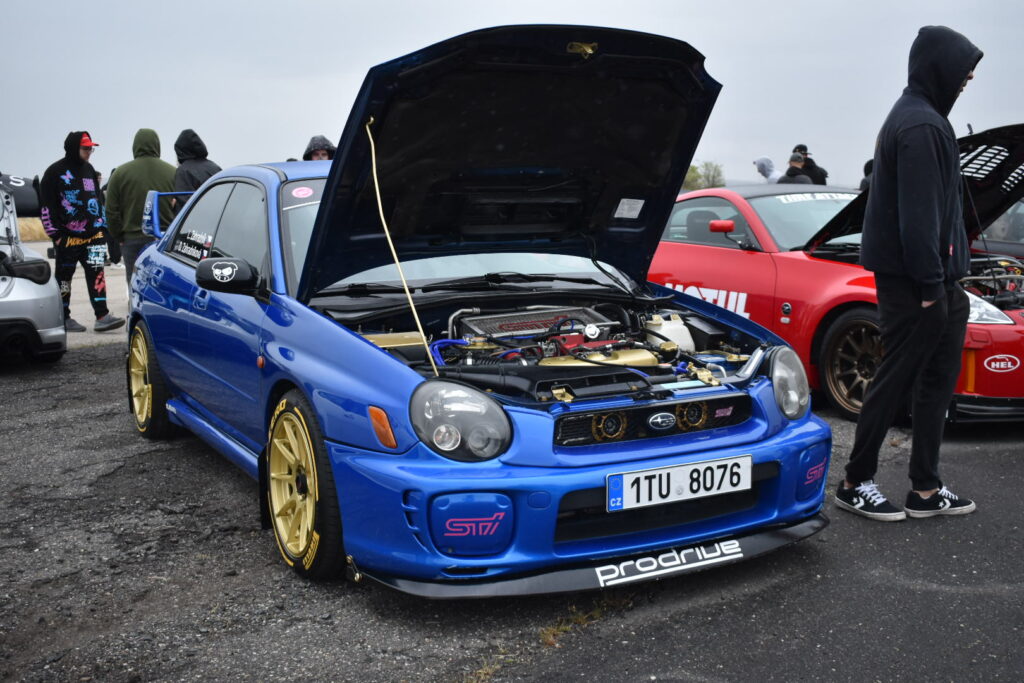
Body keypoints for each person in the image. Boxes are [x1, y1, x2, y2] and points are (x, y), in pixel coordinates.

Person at [835, 26, 982, 522]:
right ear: (939, 66)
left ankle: (925, 488)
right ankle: (854, 482)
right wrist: (929, 287)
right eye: (964, 68)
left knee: (936, 384)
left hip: (939, 283)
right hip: (917, 285)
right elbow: (918, 219)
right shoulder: (920, 125)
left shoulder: (925, 119)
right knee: (894, 380)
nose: (968, 78)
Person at [38, 132, 124, 332]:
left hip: (94, 236)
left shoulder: (89, 169)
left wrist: (102, 226)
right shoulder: (54, 172)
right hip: (68, 238)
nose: (89, 152)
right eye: (85, 148)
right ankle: (64, 317)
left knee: (97, 275)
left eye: (91, 148)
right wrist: (56, 236)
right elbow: (46, 206)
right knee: (64, 279)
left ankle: (102, 316)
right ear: (73, 148)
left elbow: (96, 199)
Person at [105, 129, 176, 282]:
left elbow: (111, 211)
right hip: (164, 238)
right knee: (164, 283)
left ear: (135, 146)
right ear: (157, 145)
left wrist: (118, 236)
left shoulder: (119, 173)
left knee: (135, 282)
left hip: (131, 239)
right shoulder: (173, 172)